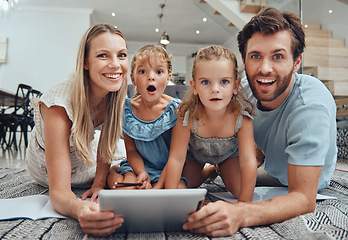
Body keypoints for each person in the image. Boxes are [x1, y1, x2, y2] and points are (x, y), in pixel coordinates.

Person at [182, 8, 337, 237]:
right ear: (244, 60)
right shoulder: (242, 89)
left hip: (294, 175)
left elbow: (304, 198)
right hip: (261, 161)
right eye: (255, 56)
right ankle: (211, 170)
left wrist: (241, 213)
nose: (265, 69)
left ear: (297, 62)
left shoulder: (310, 106)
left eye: (278, 56)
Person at [25, 24, 128, 236]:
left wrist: (100, 183)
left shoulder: (115, 95)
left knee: (126, 152)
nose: (116, 64)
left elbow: (106, 143)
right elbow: (60, 191)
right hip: (46, 167)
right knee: (123, 158)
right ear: (85, 63)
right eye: (103, 55)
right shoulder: (58, 105)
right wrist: (80, 208)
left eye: (122, 55)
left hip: (81, 154)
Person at [165, 45, 257, 203]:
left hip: (228, 156)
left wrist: (244, 204)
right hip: (196, 156)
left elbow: (248, 160)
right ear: (194, 86)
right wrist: (169, 198)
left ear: (235, 86)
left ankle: (220, 168)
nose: (215, 89)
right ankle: (208, 172)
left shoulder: (242, 120)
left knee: (240, 190)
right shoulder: (187, 117)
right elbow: (176, 158)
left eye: (224, 82)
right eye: (206, 82)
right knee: (182, 189)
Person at [106, 45, 186, 189]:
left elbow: (175, 156)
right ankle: (113, 171)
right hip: (138, 166)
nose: (151, 77)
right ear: (133, 78)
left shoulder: (176, 110)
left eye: (159, 71)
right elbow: (131, 150)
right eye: (142, 71)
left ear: (168, 77)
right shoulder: (127, 110)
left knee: (178, 190)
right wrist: (141, 172)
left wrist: (157, 187)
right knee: (126, 189)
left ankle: (208, 172)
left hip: (167, 168)